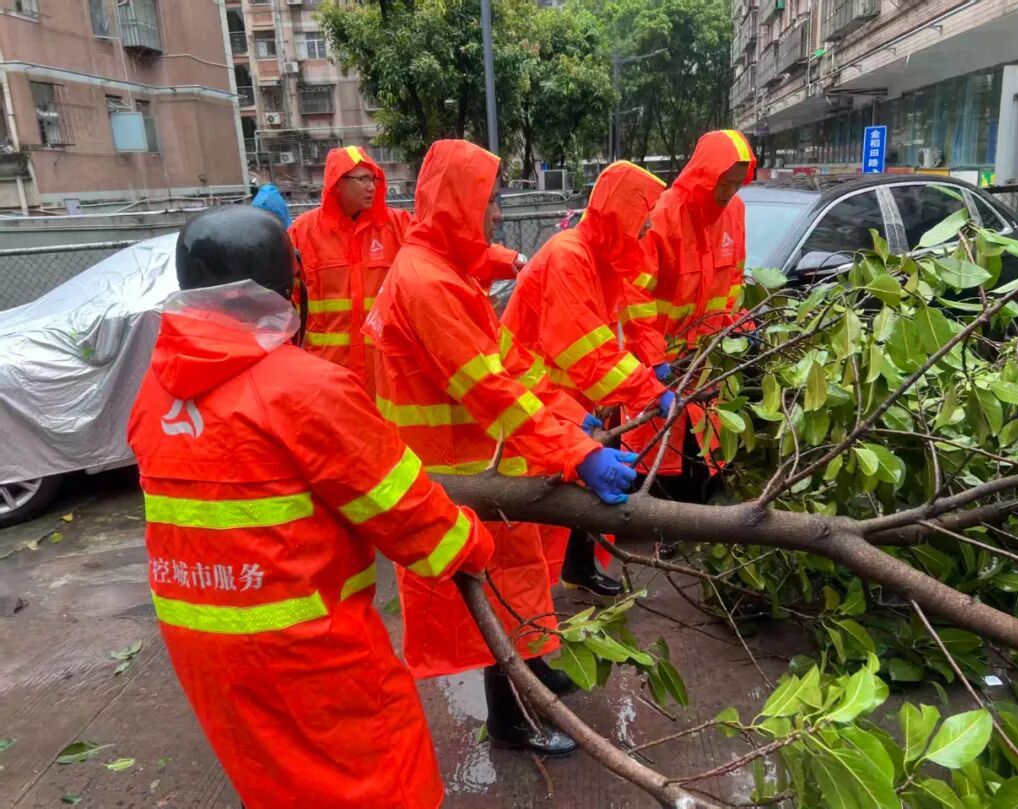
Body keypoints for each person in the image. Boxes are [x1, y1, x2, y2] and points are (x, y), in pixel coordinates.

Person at [127, 206, 495, 809]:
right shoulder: (307, 388)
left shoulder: (155, 390)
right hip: (311, 651)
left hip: (203, 648)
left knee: (274, 781)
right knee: (388, 783)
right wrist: (475, 544)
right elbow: (411, 516)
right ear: (288, 287)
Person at [366, 139, 639, 754]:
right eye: (488, 201)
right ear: (458, 203)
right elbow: (492, 392)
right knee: (498, 591)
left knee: (518, 583)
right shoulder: (428, 283)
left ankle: (532, 675)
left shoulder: (445, 272)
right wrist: (577, 452)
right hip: (466, 470)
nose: (497, 214)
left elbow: (512, 362)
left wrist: (572, 419)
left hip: (484, 462)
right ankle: (512, 719)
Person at [502, 160, 673, 595]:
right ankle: (536, 604)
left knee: (578, 492)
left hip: (567, 397)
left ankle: (573, 571)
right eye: (642, 217)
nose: (648, 226)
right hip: (542, 396)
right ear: (621, 216)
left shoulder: (599, 258)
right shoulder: (570, 257)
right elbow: (587, 353)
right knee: (547, 503)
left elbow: (597, 346)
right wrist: (648, 390)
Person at [624, 130, 757, 494]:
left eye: (737, 184)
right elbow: (634, 295)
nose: (729, 192)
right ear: (704, 175)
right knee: (654, 464)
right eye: (724, 183)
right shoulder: (663, 214)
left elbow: (733, 280)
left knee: (703, 455)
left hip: (707, 364)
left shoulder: (735, 213)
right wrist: (654, 359)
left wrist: (737, 327)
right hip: (658, 367)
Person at [288, 145, 413, 391]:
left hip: (385, 370)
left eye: (373, 179)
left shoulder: (399, 226)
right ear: (338, 183)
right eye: (363, 179)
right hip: (328, 373)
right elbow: (286, 306)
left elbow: (437, 259)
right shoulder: (303, 233)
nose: (371, 186)